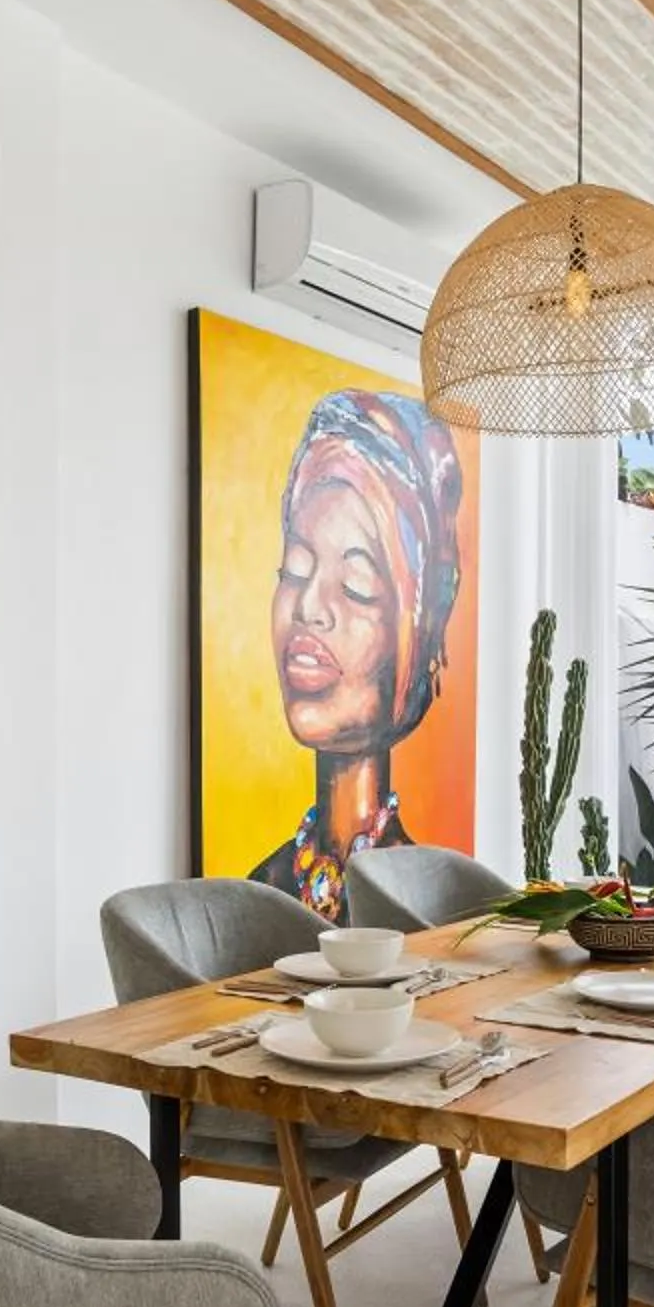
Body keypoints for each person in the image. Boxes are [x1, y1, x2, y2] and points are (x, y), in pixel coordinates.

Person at [250, 388, 465, 918]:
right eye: (294, 571)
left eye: (357, 584)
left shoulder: (429, 909)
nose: (308, 607)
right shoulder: (261, 889)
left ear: (418, 629)